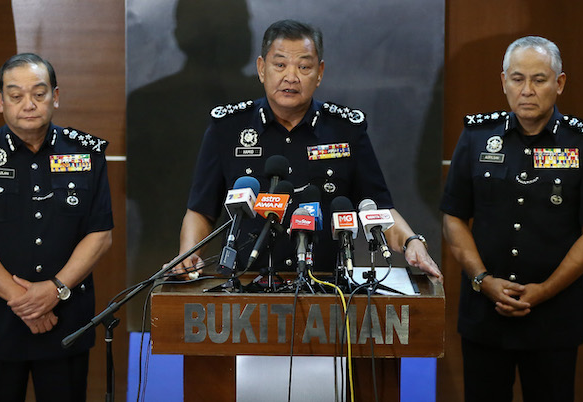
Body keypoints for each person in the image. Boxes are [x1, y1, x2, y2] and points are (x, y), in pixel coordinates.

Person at [174, 19, 441, 280]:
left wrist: (412, 242)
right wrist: (188, 255)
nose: (291, 77)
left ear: (320, 72)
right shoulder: (228, 128)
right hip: (244, 282)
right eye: (280, 65)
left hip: (324, 285)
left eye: (304, 67)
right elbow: (201, 210)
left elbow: (378, 209)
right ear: (262, 68)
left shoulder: (346, 131)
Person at [440, 36, 583, 402]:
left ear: (559, 83)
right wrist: (483, 280)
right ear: (504, 82)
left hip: (554, 318)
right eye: (518, 79)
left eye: (539, 79)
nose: (527, 90)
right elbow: (453, 218)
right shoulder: (477, 137)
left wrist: (544, 291)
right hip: (485, 314)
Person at [0, 53, 113, 402]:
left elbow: (100, 236)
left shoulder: (86, 154)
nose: (29, 104)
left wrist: (54, 290)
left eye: (38, 93)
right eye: (16, 95)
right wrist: (24, 300)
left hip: (65, 322)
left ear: (55, 96)